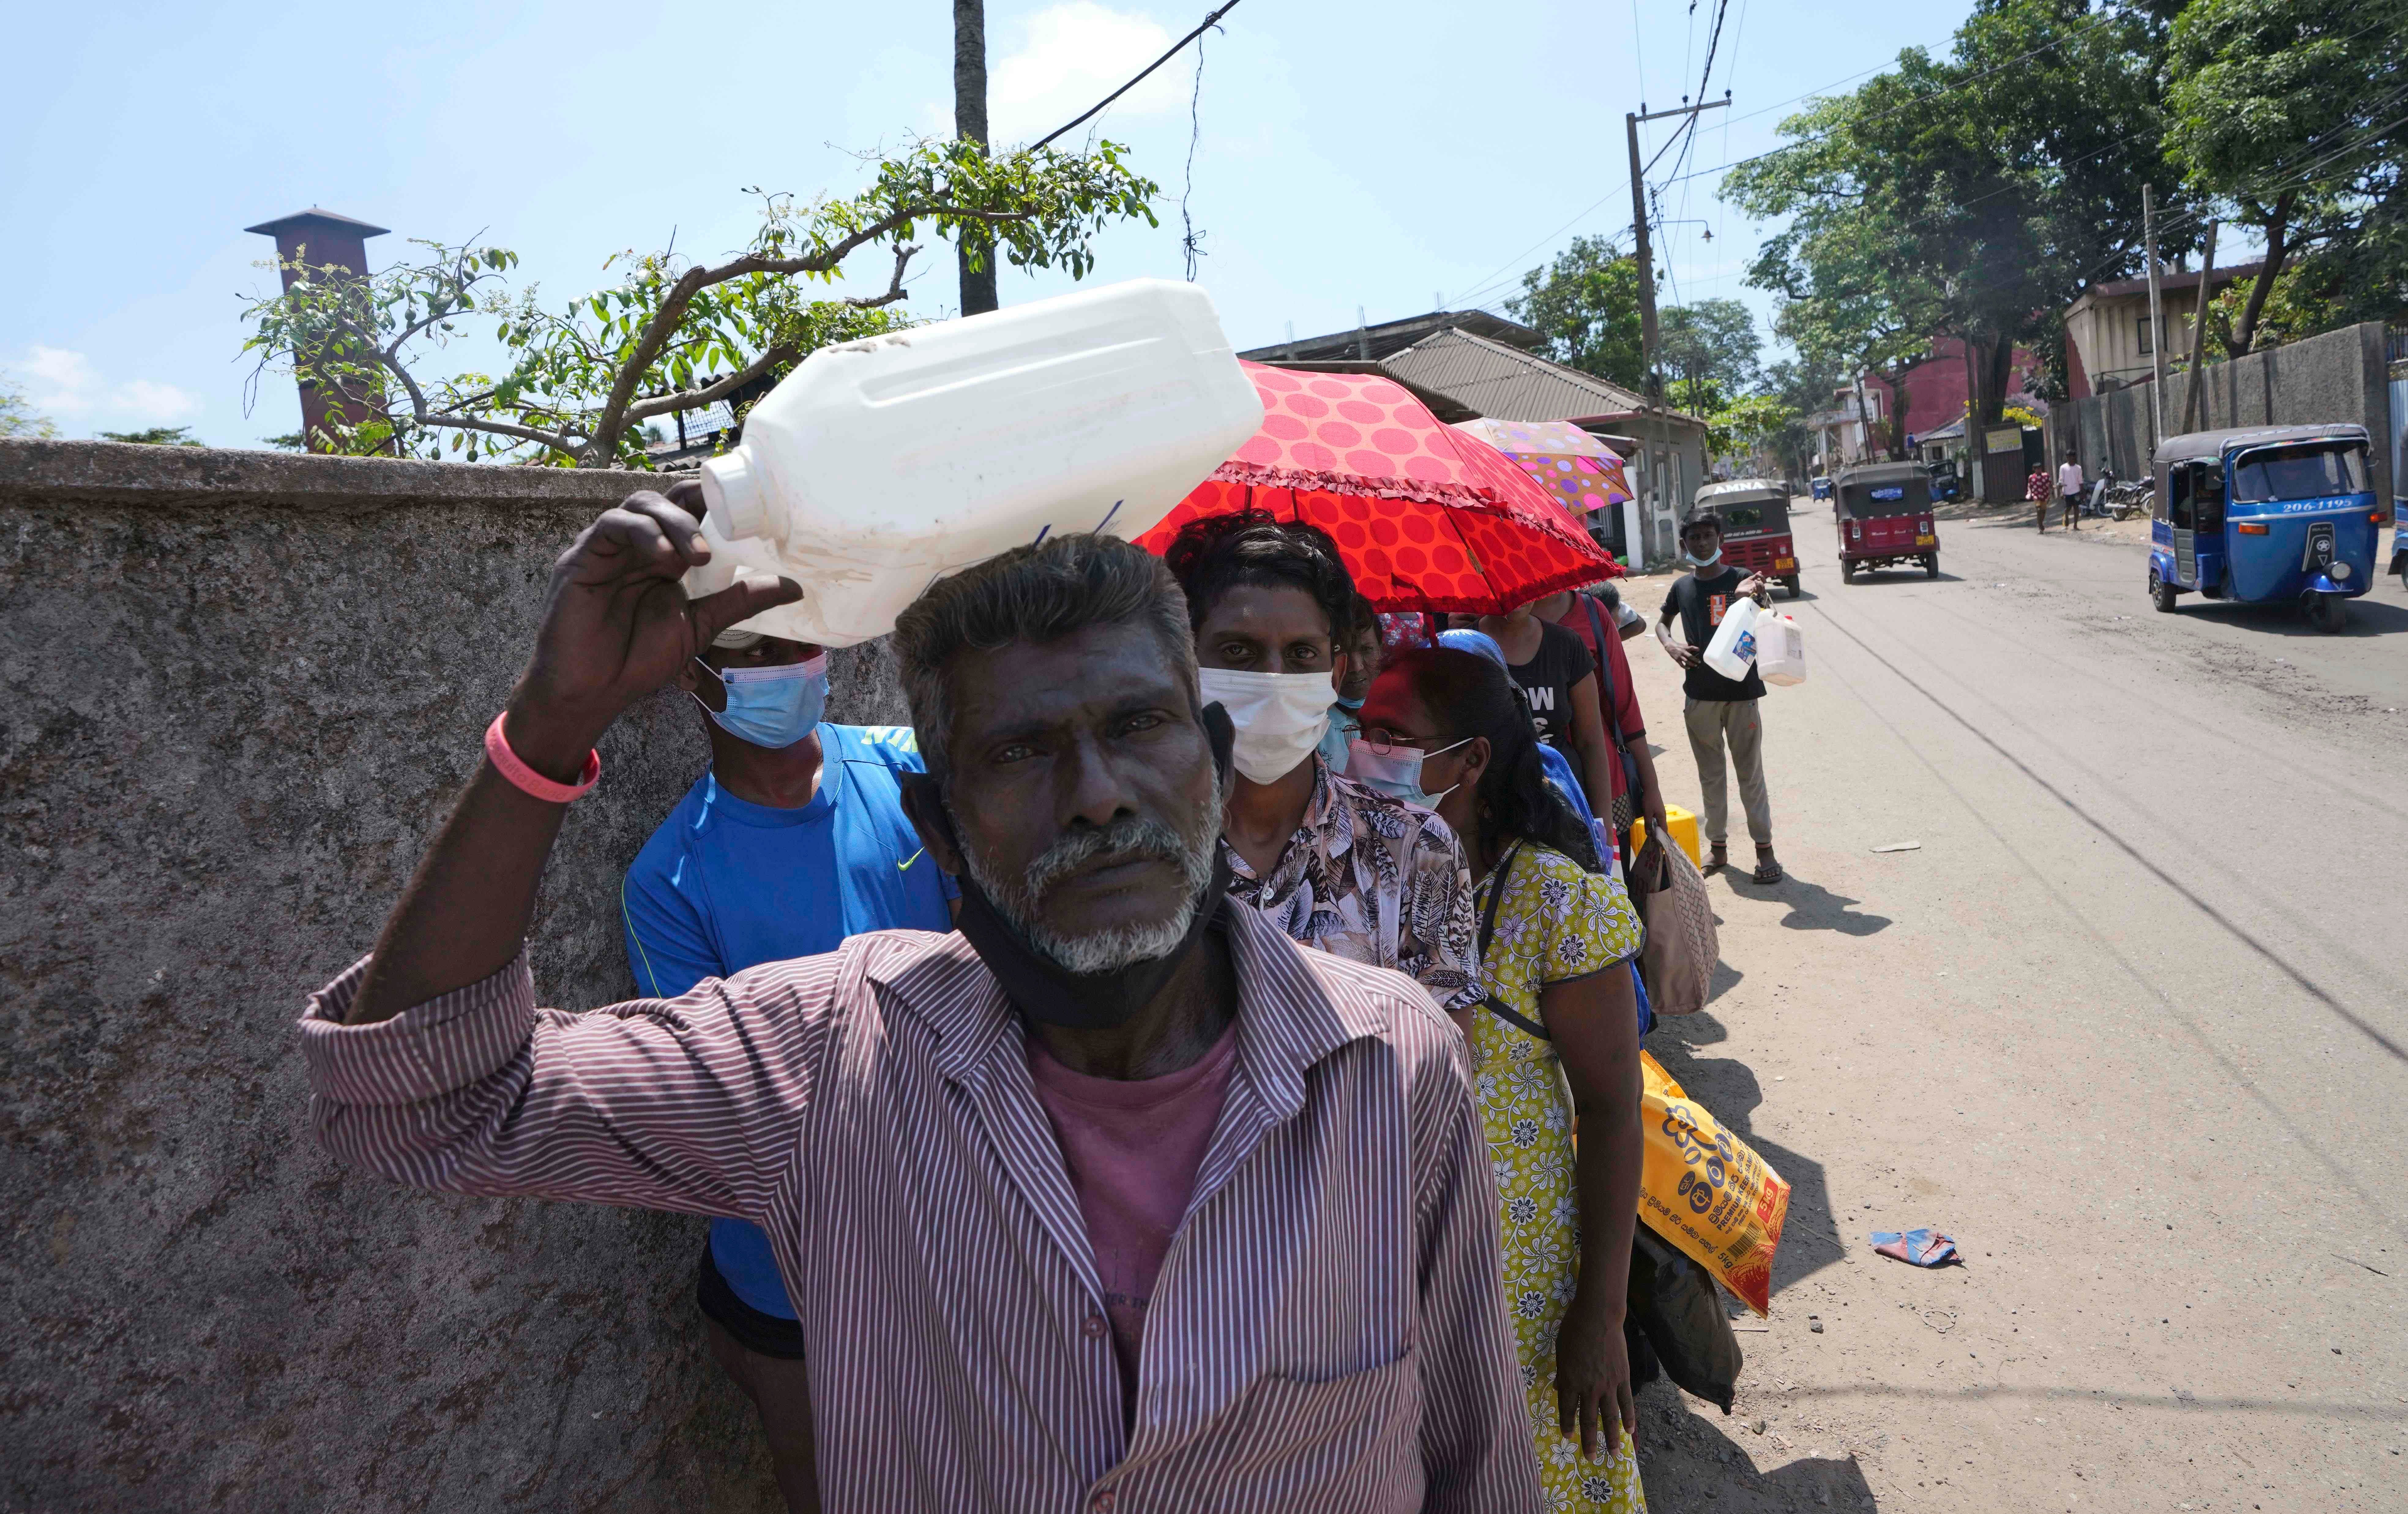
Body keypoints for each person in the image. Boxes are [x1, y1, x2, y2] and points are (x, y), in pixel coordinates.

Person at [296, 492, 1539, 1511]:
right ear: (938, 829)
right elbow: (422, 1102)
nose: (1098, 792)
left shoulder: (1389, 1061)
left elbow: (1475, 1461)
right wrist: (549, 726)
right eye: (1020, 750)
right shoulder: (823, 1058)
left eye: (1138, 725)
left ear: (1211, 769)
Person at [621, 623, 956, 1512]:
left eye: (793, 641)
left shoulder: (912, 772)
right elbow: (712, 1101)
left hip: (964, 1231)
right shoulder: (671, 878)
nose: (781, 668)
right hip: (795, 1281)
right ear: (690, 672)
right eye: (747, 651)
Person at [1355, 647, 1648, 1513]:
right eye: (1360, 732)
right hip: (1373, 1264)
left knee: (1528, 1470)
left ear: (1472, 759)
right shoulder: (1348, 883)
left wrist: (1600, 1312)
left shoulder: (1553, 900)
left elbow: (1611, 1109)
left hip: (1514, 1272)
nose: (1364, 756)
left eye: (1393, 738)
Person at [1162, 511, 1481, 1017]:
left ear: (1335, 674)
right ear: (1185, 664)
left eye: (1300, 654)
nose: (1273, 679)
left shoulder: (1416, 848)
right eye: (1238, 651)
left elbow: (1445, 1051)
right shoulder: (1140, 851)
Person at [1656, 512, 1783, 884]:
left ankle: (1765, 849)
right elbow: (1662, 623)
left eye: (1708, 535)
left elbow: (1768, 614)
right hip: (1700, 695)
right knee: (1710, 775)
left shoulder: (1742, 578)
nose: (1702, 543)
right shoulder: (1681, 586)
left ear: (1720, 539)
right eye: (1694, 537)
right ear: (1685, 544)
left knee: (1750, 774)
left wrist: (1751, 594)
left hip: (1742, 693)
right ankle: (1718, 846)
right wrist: (1671, 644)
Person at [1530, 583, 1670, 866]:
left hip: (1603, 787)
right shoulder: (1485, 626)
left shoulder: (1592, 614)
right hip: (1528, 793)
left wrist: (1651, 788)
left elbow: (1624, 708)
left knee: (1611, 881)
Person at [1475, 598, 1619, 838]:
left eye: (1522, 579)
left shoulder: (1566, 644)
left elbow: (1590, 743)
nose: (1516, 591)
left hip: (1565, 809)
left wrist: (1602, 828)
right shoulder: (1464, 649)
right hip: (1496, 814)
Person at [2055, 450, 2086, 532]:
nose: (2071, 459)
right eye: (2069, 457)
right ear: (2067, 458)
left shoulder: (2078, 468)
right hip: (2067, 492)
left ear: (2075, 457)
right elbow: (2061, 481)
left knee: (2076, 508)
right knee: (2068, 508)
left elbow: (2080, 481)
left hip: (2076, 491)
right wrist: (2062, 493)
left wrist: (2082, 492)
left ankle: (2075, 525)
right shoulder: (2063, 468)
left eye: (2072, 457)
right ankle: (2066, 520)